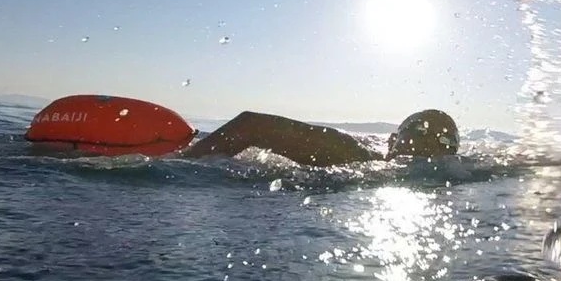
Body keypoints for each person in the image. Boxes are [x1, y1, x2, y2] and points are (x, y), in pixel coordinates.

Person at [178, 108, 459, 167]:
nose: (430, 142)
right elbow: (251, 125)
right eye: (420, 131)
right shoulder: (347, 152)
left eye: (445, 142)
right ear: (391, 140)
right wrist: (180, 163)